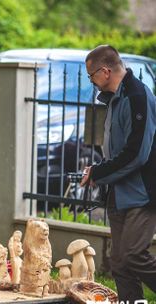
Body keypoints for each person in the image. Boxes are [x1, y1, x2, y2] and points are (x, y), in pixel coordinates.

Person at [81, 45, 156, 301]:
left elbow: (136, 153)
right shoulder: (115, 99)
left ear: (104, 71)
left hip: (143, 193)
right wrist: (97, 173)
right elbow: (116, 153)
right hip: (119, 194)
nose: (92, 82)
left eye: (91, 76)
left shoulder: (137, 96)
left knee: (134, 254)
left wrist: (99, 172)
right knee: (121, 263)